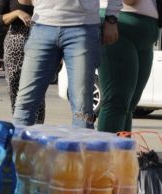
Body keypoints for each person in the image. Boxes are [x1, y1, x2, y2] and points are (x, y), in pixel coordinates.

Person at [11, 0, 123, 128]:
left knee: (82, 109)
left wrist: (111, 18)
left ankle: (82, 146)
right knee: (24, 103)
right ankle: (17, 147)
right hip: (42, 24)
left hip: (82, 25)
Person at [96, 0, 159, 133]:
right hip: (121, 25)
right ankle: (106, 152)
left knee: (128, 105)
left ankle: (122, 151)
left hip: (141, 32)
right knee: (116, 100)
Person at [0, 0, 45, 122]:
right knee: (14, 88)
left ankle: (38, 129)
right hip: (14, 47)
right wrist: (17, 13)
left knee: (37, 90)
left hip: (38, 43)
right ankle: (20, 128)